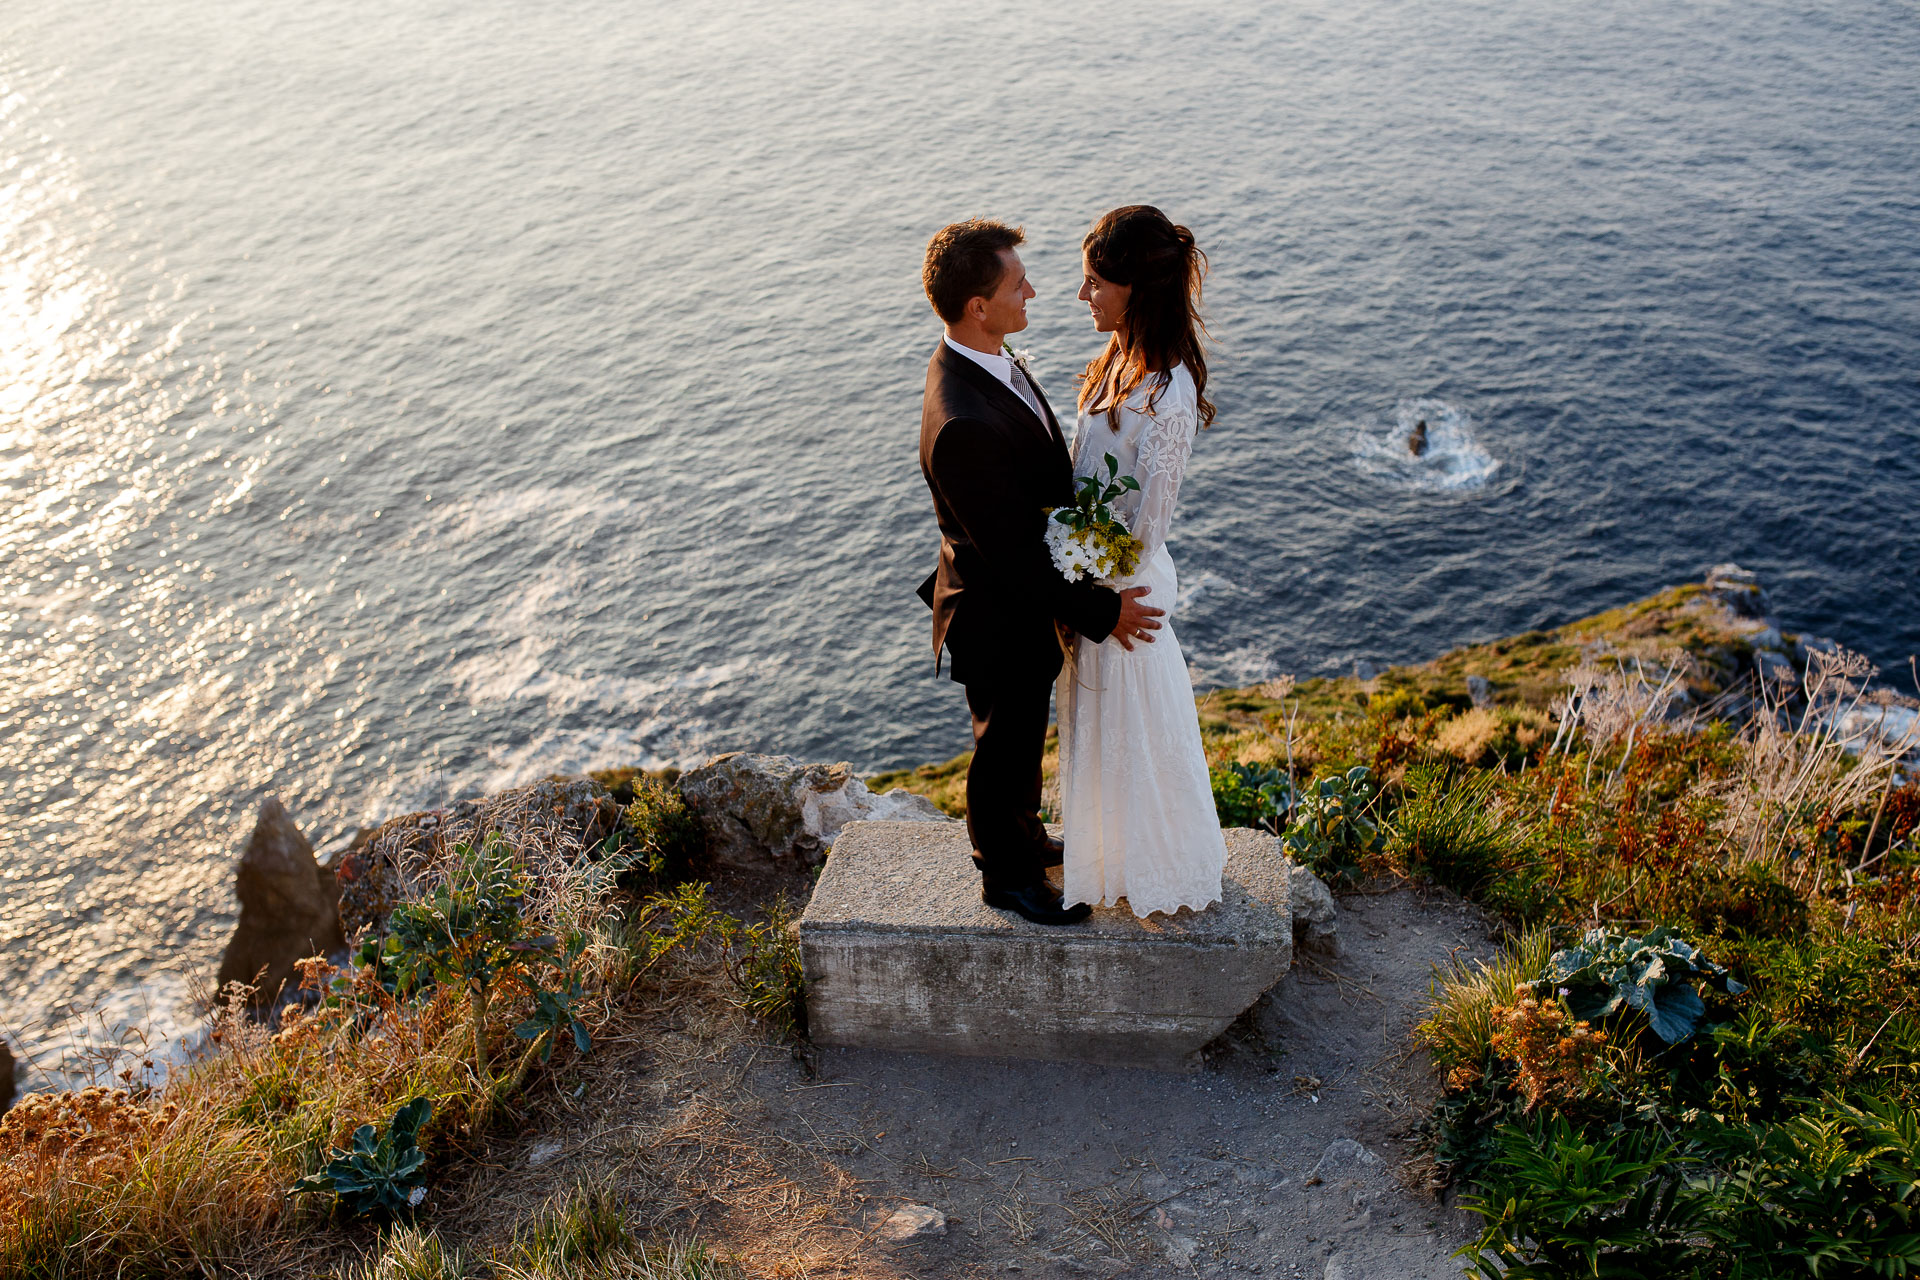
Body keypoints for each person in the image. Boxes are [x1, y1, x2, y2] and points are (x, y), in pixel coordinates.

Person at [916, 219, 1165, 927]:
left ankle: (1022, 836)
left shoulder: (984, 355)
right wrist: (1102, 612)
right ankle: (1007, 879)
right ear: (977, 307)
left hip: (1014, 596)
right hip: (997, 611)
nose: (1033, 289)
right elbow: (1015, 558)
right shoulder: (962, 417)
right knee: (1003, 746)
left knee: (1021, 739)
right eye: (1016, 283)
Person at [1057, 205, 1227, 917]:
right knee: (1103, 733)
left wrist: (1089, 585)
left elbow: (1149, 524)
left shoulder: (1168, 393)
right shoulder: (1117, 358)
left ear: (1135, 288)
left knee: (1137, 733)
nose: (1082, 295)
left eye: (1095, 281)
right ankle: (1108, 859)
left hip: (1122, 590)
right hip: (1091, 578)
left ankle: (1158, 867)